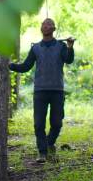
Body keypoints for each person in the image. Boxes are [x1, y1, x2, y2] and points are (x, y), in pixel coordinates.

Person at [8, 18, 75, 163]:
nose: (46, 26)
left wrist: (70, 47)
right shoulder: (36, 48)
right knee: (39, 124)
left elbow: (69, 60)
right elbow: (26, 66)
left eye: (49, 24)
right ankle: (42, 153)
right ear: (41, 28)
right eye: (44, 24)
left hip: (57, 90)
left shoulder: (61, 46)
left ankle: (49, 143)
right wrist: (10, 65)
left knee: (57, 123)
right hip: (40, 91)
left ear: (54, 28)